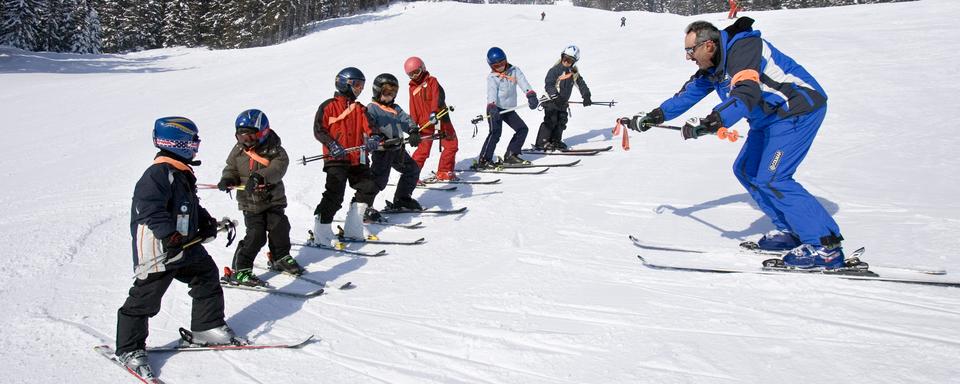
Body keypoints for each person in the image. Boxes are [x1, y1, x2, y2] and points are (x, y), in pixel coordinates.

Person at [626, 18, 844, 269]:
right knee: (747, 170)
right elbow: (688, 95)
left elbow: (746, 93)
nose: (688, 57)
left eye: (690, 51)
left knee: (774, 177)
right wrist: (655, 116)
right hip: (768, 119)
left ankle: (825, 246)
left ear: (708, 46)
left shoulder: (743, 50)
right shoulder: (713, 68)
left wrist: (714, 120)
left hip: (796, 110)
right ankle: (791, 231)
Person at [116, 117, 245, 380]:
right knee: (146, 297)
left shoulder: (180, 171)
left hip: (184, 243)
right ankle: (129, 349)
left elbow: (190, 206)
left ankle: (206, 327)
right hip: (159, 246)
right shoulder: (158, 173)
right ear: (178, 143)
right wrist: (169, 234)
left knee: (205, 274)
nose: (197, 145)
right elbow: (149, 208)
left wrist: (206, 222)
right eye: (193, 141)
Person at [217, 109, 301, 286]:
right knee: (256, 235)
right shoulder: (239, 150)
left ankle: (280, 257)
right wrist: (228, 179)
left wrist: (260, 176)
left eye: (250, 137)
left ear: (262, 133)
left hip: (273, 199)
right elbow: (231, 167)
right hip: (251, 203)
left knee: (280, 227)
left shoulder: (275, 150)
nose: (245, 142)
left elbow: (278, 168)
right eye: (241, 137)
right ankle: (241, 269)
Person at [312, 67, 380, 243]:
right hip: (337, 158)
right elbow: (319, 130)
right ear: (344, 83)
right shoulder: (329, 106)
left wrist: (373, 138)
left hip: (357, 157)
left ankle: (353, 226)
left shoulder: (360, 109)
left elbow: (372, 128)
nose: (359, 89)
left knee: (369, 187)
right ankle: (322, 230)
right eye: (357, 85)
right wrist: (332, 144)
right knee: (335, 194)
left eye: (362, 86)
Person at [365, 73, 424, 217]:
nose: (389, 97)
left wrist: (413, 131)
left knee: (412, 170)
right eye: (386, 93)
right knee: (379, 180)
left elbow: (406, 120)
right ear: (377, 91)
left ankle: (402, 199)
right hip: (383, 150)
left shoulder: (395, 108)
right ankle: (364, 206)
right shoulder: (372, 108)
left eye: (393, 93)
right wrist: (378, 137)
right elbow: (368, 126)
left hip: (397, 149)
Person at [476, 46, 539, 169]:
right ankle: (484, 160)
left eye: (502, 63)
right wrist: (492, 106)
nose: (500, 67)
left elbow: (523, 82)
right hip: (495, 108)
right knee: (495, 133)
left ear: (506, 60)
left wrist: (530, 94)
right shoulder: (492, 78)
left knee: (522, 129)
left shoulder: (515, 71)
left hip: (508, 109)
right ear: (491, 66)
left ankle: (511, 154)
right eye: (496, 66)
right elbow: (491, 92)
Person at [404, 56, 460, 181]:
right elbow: (412, 107)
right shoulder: (412, 89)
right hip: (425, 123)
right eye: (411, 75)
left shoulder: (432, 81)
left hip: (439, 117)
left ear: (423, 68)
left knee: (451, 144)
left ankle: (445, 171)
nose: (415, 76)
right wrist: (413, 126)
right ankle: (411, 176)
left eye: (417, 72)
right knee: (423, 150)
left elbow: (436, 97)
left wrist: (434, 112)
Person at [534, 45, 592, 151]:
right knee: (551, 120)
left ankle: (555, 141)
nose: (566, 61)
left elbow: (581, 84)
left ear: (574, 62)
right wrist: (555, 96)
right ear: (562, 57)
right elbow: (549, 85)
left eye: (569, 60)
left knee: (561, 120)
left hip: (562, 102)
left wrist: (586, 96)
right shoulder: (554, 70)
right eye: (564, 58)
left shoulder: (573, 73)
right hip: (550, 100)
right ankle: (542, 142)